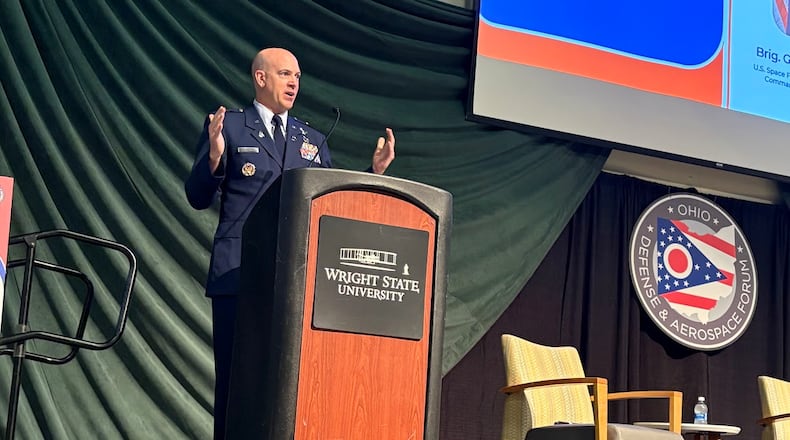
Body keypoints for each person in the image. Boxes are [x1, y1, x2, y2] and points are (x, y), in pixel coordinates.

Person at [184, 47, 395, 439]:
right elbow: (197, 197)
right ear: (260, 78)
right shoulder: (229, 126)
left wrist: (374, 173)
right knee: (237, 386)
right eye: (285, 74)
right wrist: (214, 158)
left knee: (288, 390)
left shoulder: (310, 139)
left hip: (297, 283)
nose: (294, 82)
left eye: (297, 76)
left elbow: (333, 203)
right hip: (239, 275)